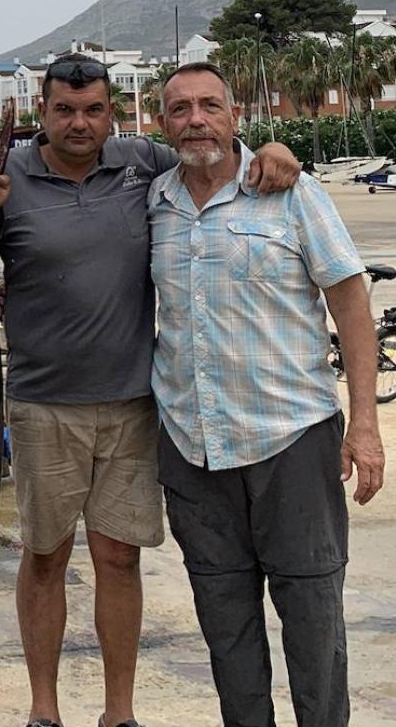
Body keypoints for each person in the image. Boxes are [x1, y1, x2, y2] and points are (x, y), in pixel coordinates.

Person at [0, 54, 302, 727]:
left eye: (93, 110)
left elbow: (208, 149)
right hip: (40, 403)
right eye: (65, 110)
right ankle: (44, 710)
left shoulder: (141, 162)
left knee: (119, 558)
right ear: (43, 112)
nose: (80, 123)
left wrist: (272, 145)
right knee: (44, 556)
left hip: (130, 402)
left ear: (112, 115)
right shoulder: (10, 179)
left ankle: (119, 714)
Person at [148, 62, 384, 727]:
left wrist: (362, 425)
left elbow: (350, 302)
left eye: (210, 105)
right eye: (181, 109)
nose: (196, 119)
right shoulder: (153, 201)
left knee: (313, 622)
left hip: (293, 442)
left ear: (235, 116)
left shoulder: (290, 191)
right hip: (193, 452)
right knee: (226, 631)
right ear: (163, 124)